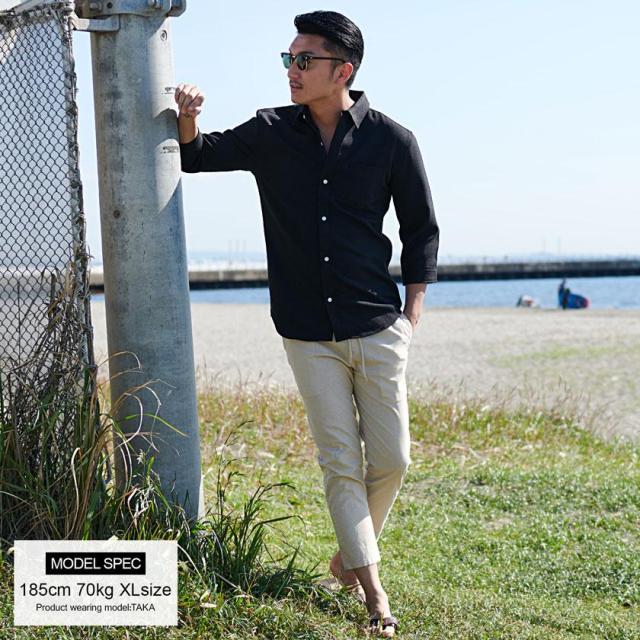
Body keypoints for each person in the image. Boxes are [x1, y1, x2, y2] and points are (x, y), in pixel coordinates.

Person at [175, 10, 439, 636]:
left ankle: (348, 557)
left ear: (342, 71)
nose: (291, 70)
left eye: (304, 60)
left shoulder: (392, 140)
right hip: (306, 330)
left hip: (377, 322)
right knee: (339, 460)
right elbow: (198, 157)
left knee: (394, 459)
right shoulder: (269, 131)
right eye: (288, 59)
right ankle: (374, 595)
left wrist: (412, 314)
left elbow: (421, 229)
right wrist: (188, 115)